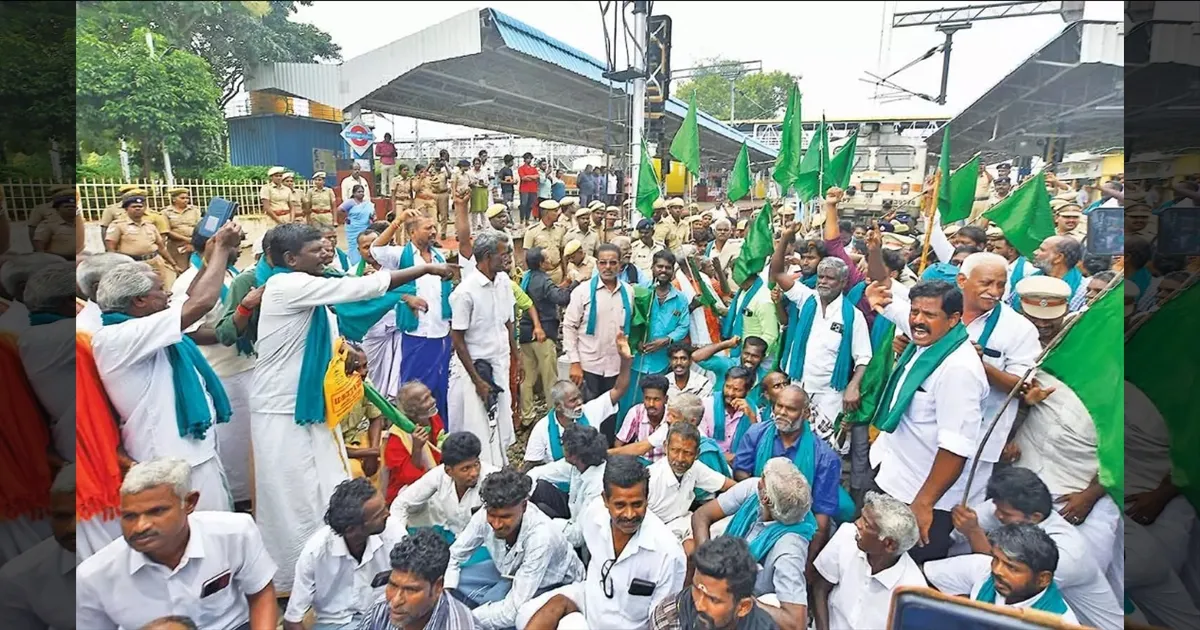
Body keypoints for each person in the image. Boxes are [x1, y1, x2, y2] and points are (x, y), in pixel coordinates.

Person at [250, 223, 454, 595]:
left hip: (311, 407)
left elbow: (334, 327)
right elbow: (360, 288)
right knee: (294, 497)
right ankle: (294, 581)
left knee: (328, 488)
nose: (326, 252)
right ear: (291, 259)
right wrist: (424, 270)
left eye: (326, 245)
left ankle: (338, 568)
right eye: (316, 249)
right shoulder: (286, 286)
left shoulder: (312, 283)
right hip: (282, 410)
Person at [91, 221, 245, 513]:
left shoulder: (140, 325)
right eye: (160, 290)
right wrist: (223, 250)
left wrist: (208, 260)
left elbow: (188, 300)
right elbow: (200, 304)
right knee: (199, 529)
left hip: (193, 453)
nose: (169, 295)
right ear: (139, 300)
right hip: (169, 462)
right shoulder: (118, 337)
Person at [863, 280, 988, 563]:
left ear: (954, 319)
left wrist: (924, 502)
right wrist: (876, 296)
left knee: (901, 568)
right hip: (890, 473)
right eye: (914, 312)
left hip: (917, 497)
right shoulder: (930, 337)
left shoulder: (959, 369)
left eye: (929, 314)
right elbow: (893, 307)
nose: (918, 321)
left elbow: (955, 447)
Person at [76, 458, 278, 630]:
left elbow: (261, 593)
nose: (140, 526)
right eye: (130, 516)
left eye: (156, 512)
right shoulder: (93, 576)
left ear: (189, 503)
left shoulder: (235, 532)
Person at [518, 456, 686, 630]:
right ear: (605, 500)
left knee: (570, 625)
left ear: (647, 498)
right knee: (525, 614)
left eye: (637, 504)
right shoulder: (594, 515)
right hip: (590, 600)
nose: (629, 514)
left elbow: (660, 622)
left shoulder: (668, 553)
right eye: (620, 505)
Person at [945, 467, 1123, 630]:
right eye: (998, 509)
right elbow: (954, 535)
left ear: (1035, 517)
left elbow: (996, 579)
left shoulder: (1065, 554)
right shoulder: (1007, 510)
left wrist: (974, 533)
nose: (998, 515)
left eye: (1005, 514)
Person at [170, 230, 258, 509]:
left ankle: (254, 495)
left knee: (250, 442)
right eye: (234, 246)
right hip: (222, 375)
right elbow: (189, 330)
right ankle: (240, 501)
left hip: (245, 367)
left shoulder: (231, 274)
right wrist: (231, 331)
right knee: (231, 445)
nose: (239, 250)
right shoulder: (188, 283)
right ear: (213, 245)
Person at [445, 468, 585, 629]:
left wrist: (463, 619)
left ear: (524, 506)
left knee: (506, 609)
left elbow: (511, 612)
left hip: (548, 584)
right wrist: (446, 592)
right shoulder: (484, 514)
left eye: (505, 517)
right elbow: (454, 555)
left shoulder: (541, 537)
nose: (496, 524)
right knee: (455, 581)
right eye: (492, 515)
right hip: (508, 572)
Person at [690, 458, 817, 630]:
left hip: (747, 614)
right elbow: (701, 515)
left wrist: (735, 598)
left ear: (766, 499)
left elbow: (795, 623)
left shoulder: (789, 549)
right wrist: (707, 564)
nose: (758, 482)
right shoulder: (753, 490)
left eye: (762, 480)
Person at [772, 247, 871, 451]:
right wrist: (786, 238)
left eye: (830, 278)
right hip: (799, 386)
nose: (823, 282)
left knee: (826, 448)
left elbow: (863, 358)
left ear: (843, 282)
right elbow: (778, 272)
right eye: (821, 277)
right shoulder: (807, 299)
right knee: (789, 440)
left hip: (830, 393)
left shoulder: (853, 316)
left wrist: (853, 386)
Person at [284, 478, 405, 630]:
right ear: (351, 530)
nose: (387, 514)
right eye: (378, 514)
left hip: (384, 618)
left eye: (384, 507)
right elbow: (292, 621)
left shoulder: (393, 532)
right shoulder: (315, 553)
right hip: (335, 623)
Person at [447, 230, 519, 465]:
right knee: (478, 425)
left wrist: (516, 357)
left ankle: (500, 467)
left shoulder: (504, 282)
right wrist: (477, 381)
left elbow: (508, 322)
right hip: (476, 369)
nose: (508, 258)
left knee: (502, 420)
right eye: (503, 254)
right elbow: (457, 339)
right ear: (488, 257)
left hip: (500, 362)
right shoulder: (465, 292)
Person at [371, 214, 455, 414]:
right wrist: (397, 221)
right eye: (427, 228)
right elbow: (376, 250)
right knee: (415, 390)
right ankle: (412, 428)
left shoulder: (439, 257)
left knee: (440, 388)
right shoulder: (401, 255)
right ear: (412, 233)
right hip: (417, 334)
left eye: (434, 227)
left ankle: (439, 428)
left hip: (441, 332)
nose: (433, 232)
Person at [811, 492, 927, 630]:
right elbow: (820, 588)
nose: (857, 524)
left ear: (889, 545)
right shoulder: (847, 534)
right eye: (861, 517)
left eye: (866, 524)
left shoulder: (913, 592)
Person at [924, 523, 1079, 624]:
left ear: (1043, 579)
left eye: (1012, 568)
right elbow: (923, 575)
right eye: (995, 559)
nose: (997, 570)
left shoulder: (1061, 623)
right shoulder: (983, 568)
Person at [524, 337, 632, 468]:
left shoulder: (590, 410)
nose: (579, 403)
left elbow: (619, 389)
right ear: (558, 406)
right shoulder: (542, 428)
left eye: (579, 397)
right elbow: (531, 463)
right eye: (573, 400)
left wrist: (626, 361)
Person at [562, 243, 633, 440]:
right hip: (588, 367)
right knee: (586, 417)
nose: (608, 267)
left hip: (615, 367)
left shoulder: (628, 292)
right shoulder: (582, 292)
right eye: (603, 262)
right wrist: (575, 362)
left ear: (620, 265)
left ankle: (606, 453)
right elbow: (569, 327)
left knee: (610, 417)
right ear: (597, 264)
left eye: (613, 263)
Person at [0, 465, 77, 630]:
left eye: (85, 513)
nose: (72, 527)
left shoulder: (135, 555)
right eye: (62, 516)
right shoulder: (20, 578)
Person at [358, 528, 477, 630]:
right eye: (393, 585)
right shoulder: (380, 608)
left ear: (437, 587)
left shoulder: (459, 626)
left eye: (410, 590)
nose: (395, 601)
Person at [651, 536, 779, 630]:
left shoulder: (765, 627)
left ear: (743, 607)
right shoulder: (668, 620)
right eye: (696, 589)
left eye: (713, 599)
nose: (699, 605)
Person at [389, 432, 497, 537]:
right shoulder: (439, 475)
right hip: (452, 537)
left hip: (485, 541)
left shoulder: (494, 478)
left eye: (476, 464)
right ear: (449, 471)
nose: (474, 473)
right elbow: (400, 504)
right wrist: (400, 539)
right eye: (465, 469)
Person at [647, 422, 736, 540]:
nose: (680, 459)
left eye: (687, 453)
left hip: (683, 524)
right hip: (655, 533)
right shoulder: (651, 478)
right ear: (665, 447)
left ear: (697, 454)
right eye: (675, 450)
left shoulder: (695, 468)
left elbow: (728, 485)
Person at [526, 424, 609, 548]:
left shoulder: (597, 486)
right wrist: (524, 495)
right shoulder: (579, 463)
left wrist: (541, 522)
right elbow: (538, 472)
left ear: (573, 456)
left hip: (583, 540)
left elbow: (578, 537)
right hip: (572, 516)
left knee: (536, 513)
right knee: (540, 487)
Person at [519, 247, 578, 418]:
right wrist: (575, 283)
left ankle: (527, 414)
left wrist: (565, 284)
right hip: (542, 334)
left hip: (525, 332)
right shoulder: (544, 280)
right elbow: (561, 298)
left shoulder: (528, 278)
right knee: (549, 377)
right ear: (541, 263)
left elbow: (550, 293)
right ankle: (553, 413)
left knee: (528, 378)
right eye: (547, 258)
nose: (550, 260)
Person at [104, 194, 180, 288]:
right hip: (132, 264)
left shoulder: (150, 226)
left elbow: (161, 247)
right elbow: (111, 248)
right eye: (134, 207)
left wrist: (173, 264)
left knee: (161, 287)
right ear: (126, 209)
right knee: (137, 289)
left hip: (154, 262)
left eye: (140, 206)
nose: (138, 209)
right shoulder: (118, 225)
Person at [161, 187, 201, 270]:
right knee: (181, 269)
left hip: (194, 243)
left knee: (196, 268)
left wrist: (193, 241)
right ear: (174, 199)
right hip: (176, 245)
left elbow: (200, 226)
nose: (186, 200)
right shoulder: (166, 212)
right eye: (182, 198)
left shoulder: (194, 210)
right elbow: (167, 231)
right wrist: (186, 239)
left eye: (187, 198)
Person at [339, 184, 376, 267]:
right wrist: (345, 218)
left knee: (366, 244)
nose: (361, 193)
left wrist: (372, 218)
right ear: (354, 193)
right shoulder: (350, 202)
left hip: (365, 227)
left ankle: (365, 262)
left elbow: (373, 214)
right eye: (359, 192)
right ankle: (354, 264)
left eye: (362, 192)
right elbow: (340, 210)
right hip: (353, 228)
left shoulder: (367, 203)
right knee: (354, 246)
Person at [518, 153, 539, 225]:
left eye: (530, 158)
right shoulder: (521, 168)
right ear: (524, 159)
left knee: (530, 205)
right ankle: (521, 219)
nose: (529, 160)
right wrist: (532, 177)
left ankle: (527, 219)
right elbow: (523, 178)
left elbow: (537, 176)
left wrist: (528, 176)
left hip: (533, 189)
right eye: (527, 158)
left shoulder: (534, 169)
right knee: (523, 204)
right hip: (524, 189)